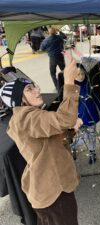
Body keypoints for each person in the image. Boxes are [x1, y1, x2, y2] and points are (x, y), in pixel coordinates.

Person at [0, 59, 81, 225]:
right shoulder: (27, 117)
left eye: (35, 86)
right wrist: (68, 82)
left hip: (50, 191)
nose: (37, 90)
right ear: (19, 99)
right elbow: (65, 119)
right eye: (29, 89)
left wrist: (70, 130)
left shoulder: (28, 116)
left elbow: (49, 141)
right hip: (54, 193)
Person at [73, 64, 100, 164]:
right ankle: (74, 149)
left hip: (91, 115)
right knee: (80, 136)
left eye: (82, 73)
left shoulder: (89, 84)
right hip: (78, 117)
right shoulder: (71, 87)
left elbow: (97, 97)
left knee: (92, 135)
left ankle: (92, 153)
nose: (81, 76)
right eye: (78, 74)